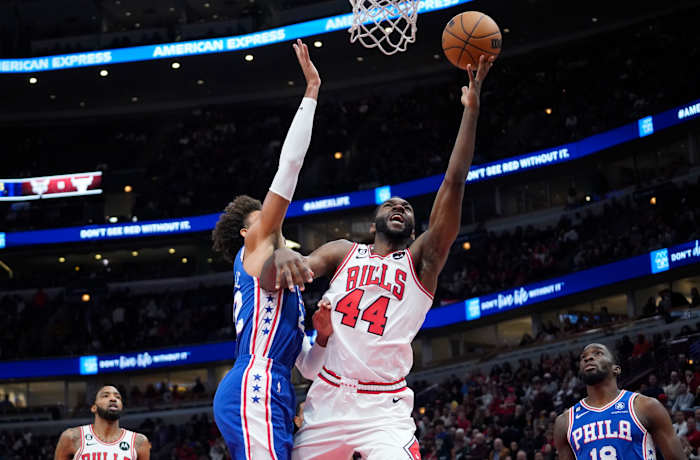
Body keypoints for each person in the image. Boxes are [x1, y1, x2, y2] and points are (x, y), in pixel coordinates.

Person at [263, 55, 495, 459]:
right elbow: (282, 276)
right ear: (374, 223)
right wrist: (279, 255)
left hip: (382, 410)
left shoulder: (421, 263)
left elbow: (454, 181)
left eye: (407, 208)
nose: (400, 207)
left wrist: (471, 112)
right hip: (327, 401)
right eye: (391, 205)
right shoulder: (342, 251)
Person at [211, 39, 333, 460]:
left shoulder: (287, 289)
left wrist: (322, 333)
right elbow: (289, 168)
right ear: (248, 233)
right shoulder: (255, 251)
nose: (270, 220)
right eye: (261, 219)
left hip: (278, 384)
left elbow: (308, 365)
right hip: (255, 382)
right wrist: (311, 93)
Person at [553, 343, 684, 460]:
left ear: (616, 369)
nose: (588, 358)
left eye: (598, 353)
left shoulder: (646, 406)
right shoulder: (565, 422)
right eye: (583, 357)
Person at [54, 385, 150, 460]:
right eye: (105, 396)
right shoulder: (72, 437)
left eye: (118, 397)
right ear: (94, 408)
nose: (113, 399)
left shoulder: (139, 441)